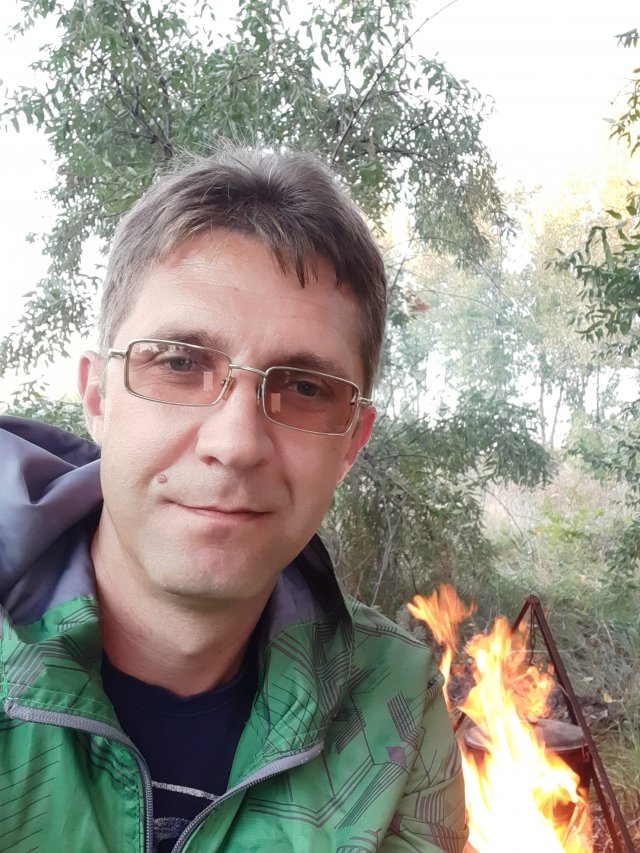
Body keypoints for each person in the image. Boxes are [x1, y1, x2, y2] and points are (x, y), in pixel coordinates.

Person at [0, 145, 468, 852]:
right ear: (97, 396)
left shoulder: (395, 704)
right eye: (179, 363)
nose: (237, 442)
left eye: (305, 387)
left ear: (351, 440)